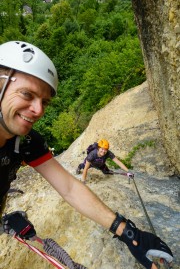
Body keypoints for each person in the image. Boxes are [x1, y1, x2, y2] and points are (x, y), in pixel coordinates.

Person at [0, 41, 173, 269]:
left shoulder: (26, 142)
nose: (39, 110)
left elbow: (70, 188)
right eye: (27, 94)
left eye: (44, 102)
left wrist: (128, 232)